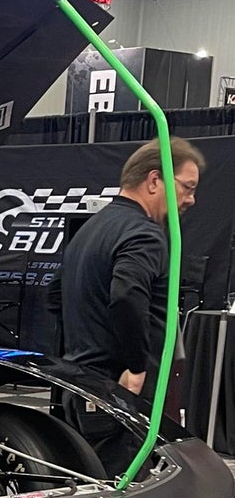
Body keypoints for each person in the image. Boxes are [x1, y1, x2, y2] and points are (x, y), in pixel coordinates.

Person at [58, 136, 204, 476]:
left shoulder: (91, 229)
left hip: (82, 385)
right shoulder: (144, 234)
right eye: (187, 187)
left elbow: (55, 295)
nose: (191, 199)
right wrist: (136, 368)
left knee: (91, 486)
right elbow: (126, 295)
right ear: (154, 180)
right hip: (118, 394)